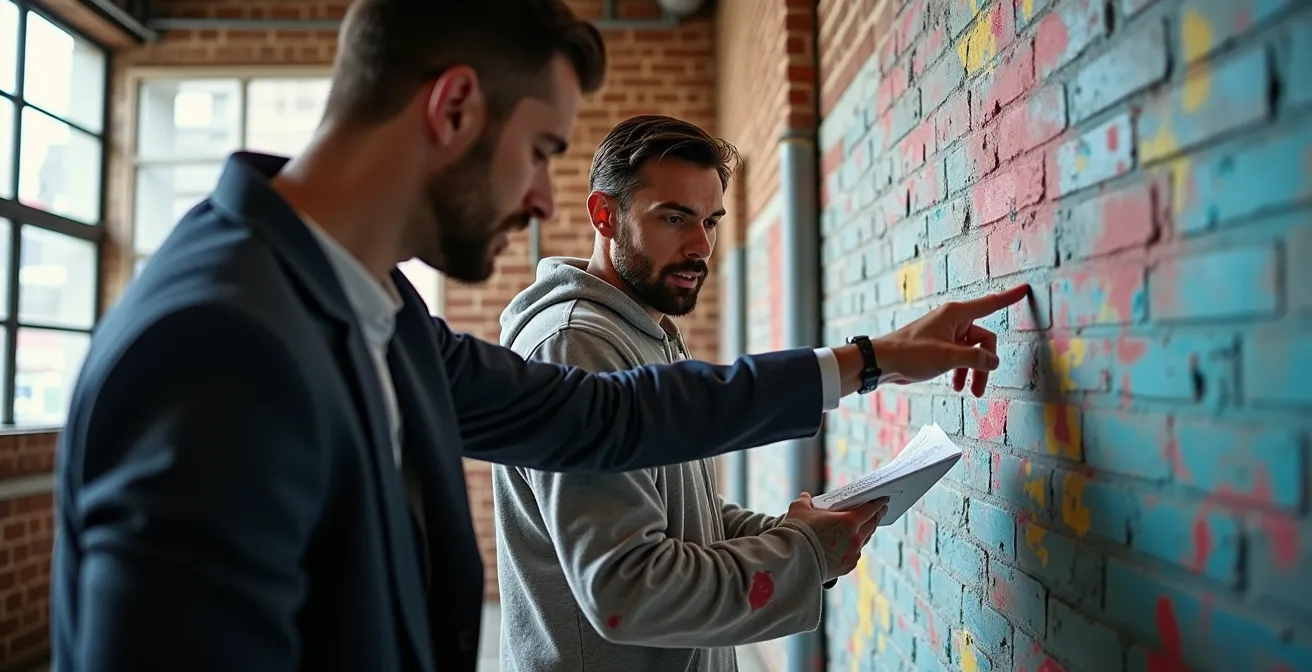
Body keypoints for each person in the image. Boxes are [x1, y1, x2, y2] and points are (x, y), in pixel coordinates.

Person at [51, 1, 1027, 671]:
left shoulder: (372, 306)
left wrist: (866, 361)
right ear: (455, 107)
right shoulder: (220, 341)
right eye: (542, 152)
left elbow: (602, 417)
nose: (543, 200)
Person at [493, 115, 894, 671]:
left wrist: (791, 532)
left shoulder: (645, 334)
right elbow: (628, 589)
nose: (701, 246)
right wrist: (799, 555)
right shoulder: (577, 345)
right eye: (675, 218)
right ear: (604, 215)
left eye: (710, 221)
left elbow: (680, 512)